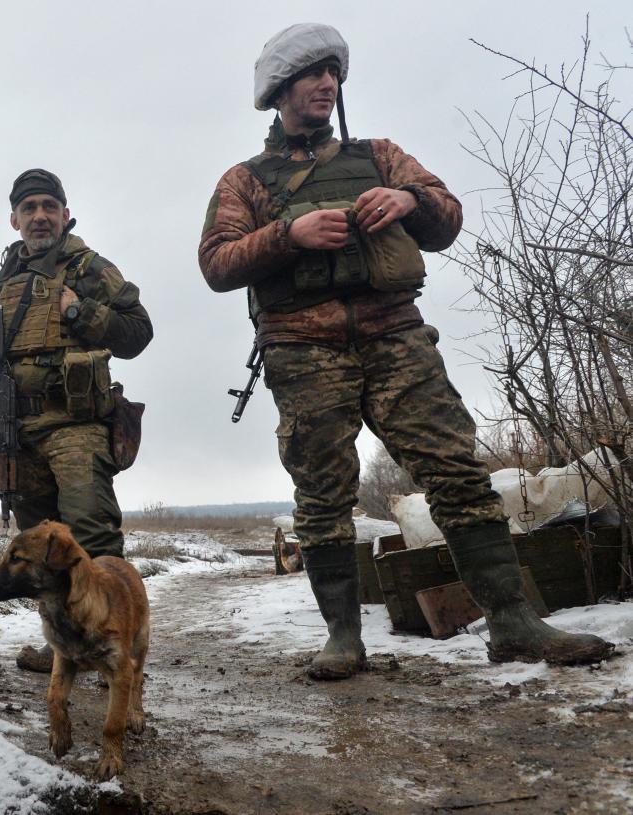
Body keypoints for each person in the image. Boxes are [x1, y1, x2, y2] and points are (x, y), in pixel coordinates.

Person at [198, 24, 612, 679]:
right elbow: (217, 262)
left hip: (396, 336)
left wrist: (408, 199)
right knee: (323, 496)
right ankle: (343, 638)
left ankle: (512, 621)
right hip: (304, 351)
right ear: (279, 90)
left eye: (332, 73)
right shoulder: (246, 181)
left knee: (455, 471)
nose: (326, 84)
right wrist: (288, 234)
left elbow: (446, 217)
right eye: (311, 75)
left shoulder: (381, 154)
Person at [0, 169, 153, 671]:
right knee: (37, 553)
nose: (40, 216)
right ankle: (62, 648)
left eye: (50, 205)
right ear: (14, 219)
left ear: (66, 214)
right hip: (17, 431)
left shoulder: (90, 269)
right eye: (30, 208)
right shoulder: (0, 282)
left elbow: (139, 332)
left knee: (90, 530)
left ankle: (111, 640)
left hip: (75, 424)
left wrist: (82, 314)